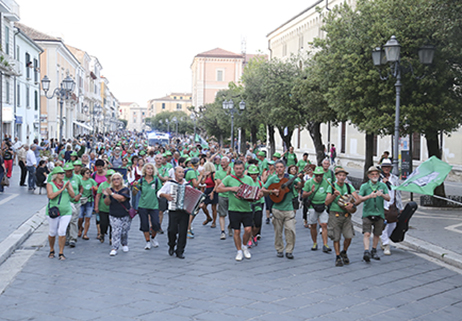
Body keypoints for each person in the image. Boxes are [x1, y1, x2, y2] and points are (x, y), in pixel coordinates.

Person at [216, 160, 255, 261]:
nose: (238, 170)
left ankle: (245, 246)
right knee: (236, 231)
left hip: (247, 209)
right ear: (234, 169)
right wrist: (231, 188)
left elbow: (254, 191)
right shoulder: (229, 178)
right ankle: (239, 251)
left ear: (244, 169)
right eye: (236, 169)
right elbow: (218, 189)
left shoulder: (249, 179)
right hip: (233, 209)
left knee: (248, 230)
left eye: (240, 168)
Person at [260, 160, 296, 259]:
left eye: (281, 167)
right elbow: (263, 189)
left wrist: (299, 180)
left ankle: (289, 250)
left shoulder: (289, 178)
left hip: (289, 208)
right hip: (277, 209)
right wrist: (272, 191)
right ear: (275, 169)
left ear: (284, 168)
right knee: (278, 232)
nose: (279, 169)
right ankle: (279, 249)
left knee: (290, 231)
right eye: (277, 167)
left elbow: (299, 185)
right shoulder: (272, 179)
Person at [325, 167, 359, 267]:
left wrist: (352, 205)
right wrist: (334, 196)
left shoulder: (348, 187)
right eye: (340, 175)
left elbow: (357, 198)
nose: (342, 177)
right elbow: (326, 202)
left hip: (346, 215)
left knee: (349, 236)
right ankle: (338, 256)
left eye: (343, 175)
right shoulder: (331, 187)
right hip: (334, 214)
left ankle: (344, 251)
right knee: (336, 237)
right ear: (336, 176)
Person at [356, 166, 390, 263]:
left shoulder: (382, 186)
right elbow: (359, 198)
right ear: (369, 176)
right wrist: (369, 196)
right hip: (367, 213)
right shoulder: (365, 186)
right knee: (367, 233)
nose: (375, 176)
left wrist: (382, 195)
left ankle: (374, 250)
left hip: (379, 213)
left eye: (376, 174)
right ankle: (366, 251)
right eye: (372, 174)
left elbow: (388, 198)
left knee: (377, 234)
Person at [157, 166, 190, 259]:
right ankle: (171, 244)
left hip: (184, 211)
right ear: (175, 173)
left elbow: (193, 197)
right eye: (179, 172)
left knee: (183, 231)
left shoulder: (187, 185)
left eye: (182, 172)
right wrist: (166, 195)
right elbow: (159, 193)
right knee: (172, 230)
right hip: (173, 210)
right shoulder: (169, 184)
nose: (181, 174)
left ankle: (180, 250)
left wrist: (197, 204)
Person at [46, 166, 76, 261]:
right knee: (52, 232)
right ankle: (51, 249)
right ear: (55, 175)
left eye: (63, 173)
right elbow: (50, 196)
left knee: (62, 231)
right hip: (53, 211)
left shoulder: (67, 183)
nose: (63, 175)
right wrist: (62, 189)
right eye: (60, 173)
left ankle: (61, 252)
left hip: (66, 211)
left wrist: (68, 188)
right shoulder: (50, 184)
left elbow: (73, 196)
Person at [302, 166, 331, 253]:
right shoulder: (309, 182)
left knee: (324, 224)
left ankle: (325, 244)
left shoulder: (326, 182)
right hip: (312, 206)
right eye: (317, 175)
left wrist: (327, 201)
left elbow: (329, 192)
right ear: (314, 174)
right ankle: (315, 242)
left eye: (320, 175)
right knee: (313, 225)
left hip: (323, 206)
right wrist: (311, 192)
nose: (319, 177)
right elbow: (303, 195)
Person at [103, 172, 132, 256]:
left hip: (125, 213)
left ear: (121, 180)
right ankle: (114, 248)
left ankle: (124, 243)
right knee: (116, 231)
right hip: (114, 213)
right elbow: (106, 203)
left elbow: (122, 199)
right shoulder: (110, 189)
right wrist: (108, 195)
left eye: (118, 179)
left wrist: (111, 194)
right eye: (114, 179)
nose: (116, 181)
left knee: (124, 231)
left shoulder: (125, 189)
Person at [379, 159, 403, 255]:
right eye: (384, 167)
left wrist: (400, 206)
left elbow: (398, 192)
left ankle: (384, 239)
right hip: (382, 205)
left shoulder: (394, 178)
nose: (386, 169)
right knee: (383, 225)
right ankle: (386, 245)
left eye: (388, 167)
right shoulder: (379, 179)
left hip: (393, 205)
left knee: (392, 225)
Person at [137, 163, 161, 250]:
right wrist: (134, 187)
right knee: (144, 224)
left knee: (156, 223)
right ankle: (147, 241)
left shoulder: (156, 180)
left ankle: (153, 237)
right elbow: (135, 193)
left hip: (154, 205)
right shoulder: (141, 181)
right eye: (148, 168)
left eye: (151, 168)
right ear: (145, 170)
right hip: (143, 204)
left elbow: (160, 192)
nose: (150, 170)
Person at [64, 162, 83, 248]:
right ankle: (66, 237)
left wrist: (79, 195)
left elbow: (81, 187)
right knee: (66, 220)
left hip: (75, 202)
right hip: (66, 202)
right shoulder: (62, 179)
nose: (68, 172)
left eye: (69, 171)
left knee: (74, 220)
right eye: (66, 171)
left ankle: (73, 238)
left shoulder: (77, 178)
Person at [95, 169, 115, 243]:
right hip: (103, 207)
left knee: (112, 224)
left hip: (113, 208)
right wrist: (96, 206)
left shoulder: (116, 185)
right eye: (110, 176)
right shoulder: (103, 184)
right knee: (103, 223)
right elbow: (98, 196)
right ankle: (102, 233)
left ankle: (111, 237)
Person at [78, 168, 97, 240]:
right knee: (80, 217)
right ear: (83, 174)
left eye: (89, 173)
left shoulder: (91, 181)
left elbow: (96, 188)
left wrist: (93, 188)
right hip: (81, 200)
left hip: (89, 200)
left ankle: (85, 234)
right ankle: (80, 228)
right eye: (87, 173)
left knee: (88, 217)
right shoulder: (80, 180)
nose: (89, 174)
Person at [215, 156, 231, 240]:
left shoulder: (233, 171)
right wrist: (228, 175)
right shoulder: (218, 172)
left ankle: (230, 226)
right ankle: (222, 231)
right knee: (222, 214)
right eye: (221, 162)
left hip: (231, 195)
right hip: (222, 195)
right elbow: (221, 183)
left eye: (224, 162)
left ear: (228, 163)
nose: (222, 164)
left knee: (232, 214)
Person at [248, 165, 264, 246]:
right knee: (250, 222)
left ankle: (253, 235)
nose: (254, 175)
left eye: (255, 174)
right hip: (249, 204)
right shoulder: (247, 181)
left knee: (258, 223)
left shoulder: (260, 182)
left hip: (258, 203)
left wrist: (261, 193)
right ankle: (250, 238)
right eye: (252, 174)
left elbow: (263, 190)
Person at [200, 161, 218, 228]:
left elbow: (216, 184)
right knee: (203, 206)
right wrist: (204, 176)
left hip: (213, 190)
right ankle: (208, 217)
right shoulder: (207, 175)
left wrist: (213, 192)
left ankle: (214, 221)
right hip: (207, 190)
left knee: (213, 208)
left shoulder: (213, 174)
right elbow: (202, 183)